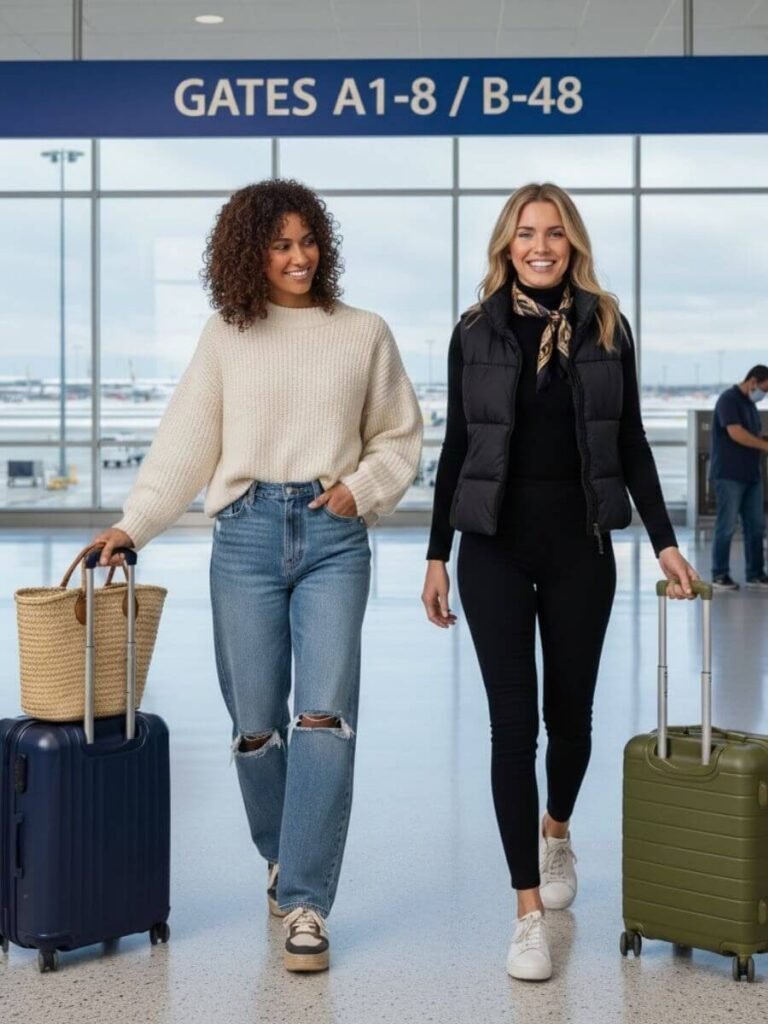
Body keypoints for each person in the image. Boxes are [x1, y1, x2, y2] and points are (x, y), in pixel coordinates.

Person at [92, 179, 423, 972]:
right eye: (281, 244)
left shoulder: (363, 332)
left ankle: (307, 900)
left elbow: (401, 436)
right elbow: (185, 445)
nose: (299, 256)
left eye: (308, 240)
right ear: (250, 252)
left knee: (323, 718)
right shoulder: (227, 336)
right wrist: (132, 523)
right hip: (242, 535)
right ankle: (280, 853)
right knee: (254, 726)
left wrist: (362, 489)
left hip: (334, 534)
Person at [420, 182, 698, 982]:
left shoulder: (607, 326)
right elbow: (458, 449)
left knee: (569, 718)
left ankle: (557, 830)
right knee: (515, 730)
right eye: (523, 233)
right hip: (494, 549)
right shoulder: (476, 330)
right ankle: (527, 912)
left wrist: (665, 543)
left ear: (572, 242)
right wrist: (438, 554)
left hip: (582, 545)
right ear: (506, 245)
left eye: (553, 233)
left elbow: (634, 440)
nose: (538, 245)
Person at [709, 366, 768, 590]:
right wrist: (764, 446)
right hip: (729, 475)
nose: (764, 394)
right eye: (764, 389)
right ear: (753, 381)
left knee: (756, 526)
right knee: (726, 526)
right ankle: (719, 575)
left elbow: (753, 433)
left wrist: (763, 440)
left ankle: (756, 573)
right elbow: (736, 433)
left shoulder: (750, 405)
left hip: (751, 475)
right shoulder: (728, 400)